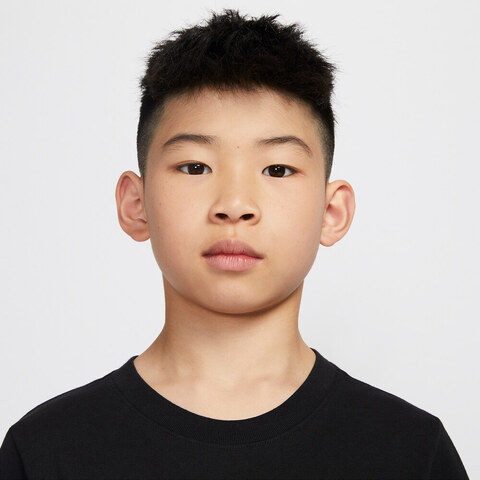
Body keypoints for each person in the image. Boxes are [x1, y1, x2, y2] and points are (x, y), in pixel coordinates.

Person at [0, 9, 469, 479]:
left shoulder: (412, 452)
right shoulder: (43, 451)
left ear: (332, 212)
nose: (235, 205)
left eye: (278, 169)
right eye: (195, 167)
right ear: (135, 204)